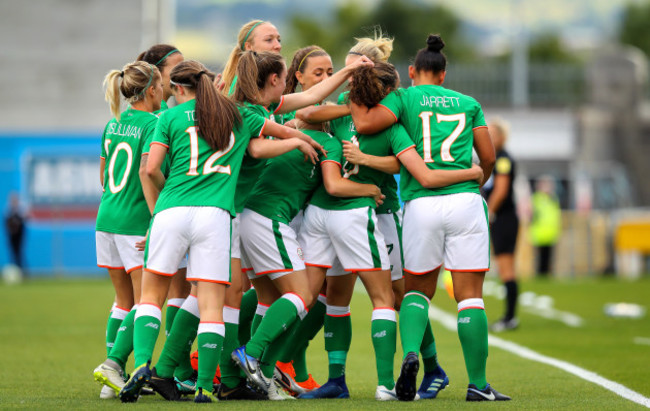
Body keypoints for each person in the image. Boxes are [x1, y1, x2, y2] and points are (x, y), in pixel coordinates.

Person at [298, 61, 483, 401]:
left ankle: (430, 366)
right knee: (337, 298)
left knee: (401, 295)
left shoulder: (393, 119)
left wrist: (365, 160)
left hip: (382, 213)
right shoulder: (349, 112)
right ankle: (337, 380)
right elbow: (308, 112)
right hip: (346, 214)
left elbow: (400, 164)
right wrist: (349, 104)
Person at [350, 34, 510, 402]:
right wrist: (477, 177)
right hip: (465, 201)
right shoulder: (469, 103)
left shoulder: (404, 97)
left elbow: (368, 124)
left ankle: (410, 355)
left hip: (421, 204)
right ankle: (479, 385)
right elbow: (487, 156)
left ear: (411, 71)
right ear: (444, 73)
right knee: (470, 298)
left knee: (416, 291)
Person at [92, 60, 163, 399]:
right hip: (134, 221)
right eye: (161, 85)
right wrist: (157, 217)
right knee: (145, 299)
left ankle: (112, 381)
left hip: (106, 218)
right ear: (151, 90)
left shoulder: (113, 122)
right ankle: (113, 364)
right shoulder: (153, 123)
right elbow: (147, 171)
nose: (163, 91)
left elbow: (103, 177)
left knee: (123, 300)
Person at [482, 118, 520, 332]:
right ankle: (509, 316)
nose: (489, 137)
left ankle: (510, 317)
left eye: (493, 134)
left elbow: (501, 190)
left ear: (503, 137)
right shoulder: (491, 157)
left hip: (504, 218)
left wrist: (488, 213)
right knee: (504, 266)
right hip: (499, 217)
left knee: (507, 268)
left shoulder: (504, 159)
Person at [221, 19, 282, 95]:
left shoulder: (267, 77)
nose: (278, 46)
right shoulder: (245, 82)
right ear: (249, 46)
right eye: (269, 40)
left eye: (279, 40)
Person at [530, 175, 562, 276]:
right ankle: (539, 275)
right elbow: (531, 214)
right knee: (540, 258)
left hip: (551, 233)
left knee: (549, 258)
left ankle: (546, 275)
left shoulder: (553, 199)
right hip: (539, 233)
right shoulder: (537, 198)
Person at [5, 193, 26, 272]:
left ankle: (22, 271)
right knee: (12, 253)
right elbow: (7, 224)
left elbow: (23, 223)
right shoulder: (8, 212)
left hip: (19, 236)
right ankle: (13, 270)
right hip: (12, 236)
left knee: (19, 253)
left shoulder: (20, 211)